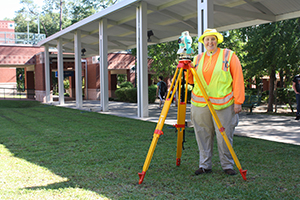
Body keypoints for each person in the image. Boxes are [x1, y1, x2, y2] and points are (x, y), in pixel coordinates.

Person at [187, 29, 245, 176]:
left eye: (213, 39)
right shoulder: (197, 58)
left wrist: (238, 101)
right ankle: (204, 165)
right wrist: (186, 68)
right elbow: (190, 80)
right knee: (202, 134)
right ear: (203, 42)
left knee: (224, 135)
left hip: (223, 104)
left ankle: (227, 165)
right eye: (207, 40)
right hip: (200, 103)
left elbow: (238, 78)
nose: (210, 42)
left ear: (217, 40)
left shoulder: (229, 55)